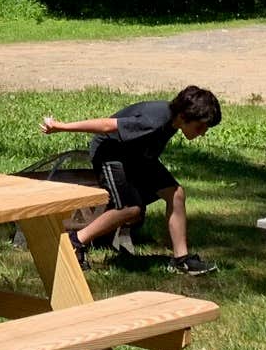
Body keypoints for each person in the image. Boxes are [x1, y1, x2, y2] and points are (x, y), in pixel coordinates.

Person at [39, 86, 222, 277]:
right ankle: (74, 241)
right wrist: (61, 127)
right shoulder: (155, 119)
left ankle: (181, 260)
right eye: (200, 127)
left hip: (138, 156)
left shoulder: (174, 120)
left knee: (175, 194)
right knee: (131, 209)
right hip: (111, 153)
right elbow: (107, 125)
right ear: (184, 116)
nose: (202, 133)